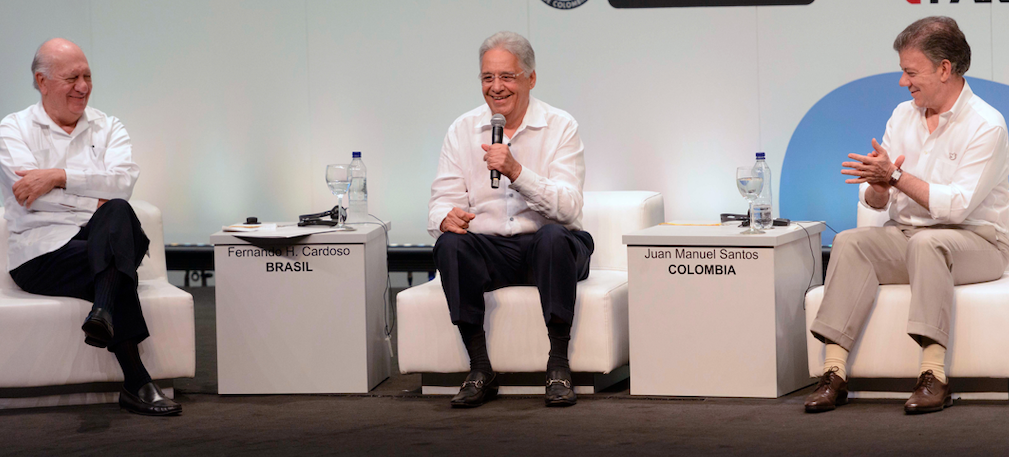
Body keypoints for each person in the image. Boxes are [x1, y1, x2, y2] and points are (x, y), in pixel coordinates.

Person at [805, 17, 1009, 414]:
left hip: (978, 243)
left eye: (911, 72)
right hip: (908, 236)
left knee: (930, 243)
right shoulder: (903, 115)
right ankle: (833, 374)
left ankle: (935, 377)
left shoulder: (987, 125)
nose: (904, 82)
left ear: (945, 68)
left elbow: (956, 206)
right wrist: (879, 188)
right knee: (850, 242)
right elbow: (876, 199)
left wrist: (894, 176)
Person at [0, 38, 181, 416]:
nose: (83, 86)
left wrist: (57, 176)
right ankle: (136, 380)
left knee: (116, 209)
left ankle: (105, 319)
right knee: (115, 258)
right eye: (72, 78)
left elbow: (122, 184)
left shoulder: (109, 126)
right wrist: (87, 194)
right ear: (42, 81)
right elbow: (29, 194)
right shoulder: (13, 129)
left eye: (87, 76)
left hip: (99, 236)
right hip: (40, 253)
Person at [428, 31, 593, 408]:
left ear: (530, 79)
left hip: (551, 249)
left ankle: (558, 366)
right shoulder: (462, 129)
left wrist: (517, 171)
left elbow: (568, 208)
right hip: (491, 250)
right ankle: (480, 368)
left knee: (553, 237)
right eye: (488, 78)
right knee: (450, 244)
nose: (496, 88)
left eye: (507, 77)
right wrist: (445, 218)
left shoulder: (560, 126)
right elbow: (439, 203)